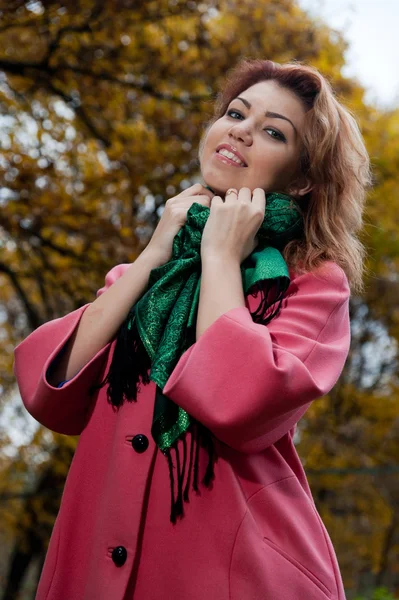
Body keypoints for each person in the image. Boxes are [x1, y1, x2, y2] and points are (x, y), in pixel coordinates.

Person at [14, 59, 370, 600]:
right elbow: (50, 391)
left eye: (273, 131)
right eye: (235, 112)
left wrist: (223, 256)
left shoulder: (313, 284)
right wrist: (155, 252)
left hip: (235, 576)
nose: (242, 130)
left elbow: (239, 402)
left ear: (300, 178)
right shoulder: (144, 279)